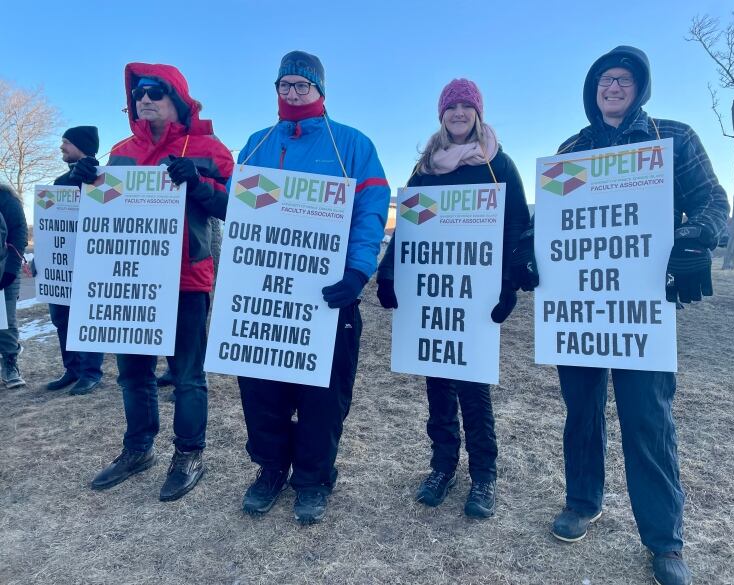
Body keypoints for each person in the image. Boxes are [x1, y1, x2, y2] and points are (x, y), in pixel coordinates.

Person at [550, 46, 729, 585]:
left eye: (624, 79)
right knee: (580, 410)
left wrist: (696, 238)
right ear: (592, 88)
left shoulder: (672, 138)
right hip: (580, 307)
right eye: (605, 78)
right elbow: (554, 225)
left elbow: (713, 204)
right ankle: (583, 501)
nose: (613, 87)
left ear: (640, 87)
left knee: (648, 419)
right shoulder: (571, 151)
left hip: (642, 307)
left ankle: (664, 540)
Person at [235, 50, 390, 524]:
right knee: (262, 388)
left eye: (302, 85)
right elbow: (239, 209)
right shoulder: (257, 143)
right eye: (285, 85)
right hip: (267, 297)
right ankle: (270, 469)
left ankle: (314, 477)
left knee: (323, 394)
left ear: (321, 91)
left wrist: (359, 271)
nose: (293, 93)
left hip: (330, 296)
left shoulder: (352, 144)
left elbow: (371, 210)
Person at [375, 79, 537, 518]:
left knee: (473, 385)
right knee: (436, 383)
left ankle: (484, 474)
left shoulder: (497, 163)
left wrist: (509, 284)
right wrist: (388, 274)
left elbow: (517, 226)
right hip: (433, 293)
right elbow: (407, 227)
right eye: (452, 107)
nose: (459, 113)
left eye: (467, 106)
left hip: (476, 293)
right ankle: (442, 465)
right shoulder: (425, 167)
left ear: (478, 112)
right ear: (441, 114)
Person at [72, 63, 234, 501]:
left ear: (177, 98)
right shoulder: (122, 151)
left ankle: (188, 454)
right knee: (133, 373)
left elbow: (234, 206)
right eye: (138, 94)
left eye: (155, 92)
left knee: (187, 376)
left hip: (186, 278)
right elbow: (102, 211)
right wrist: (84, 181)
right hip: (131, 279)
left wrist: (198, 183)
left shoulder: (208, 147)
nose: (144, 99)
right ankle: (138, 448)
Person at [45, 126, 105, 395]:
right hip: (63, 260)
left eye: (66, 143)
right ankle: (73, 368)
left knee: (88, 315)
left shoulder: (103, 178)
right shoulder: (59, 182)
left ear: (81, 145)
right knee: (61, 315)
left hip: (92, 260)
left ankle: (91, 371)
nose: (61, 147)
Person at [0, 183, 27, 389]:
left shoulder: (6, 197)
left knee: (4, 320)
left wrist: (10, 269)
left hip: (4, 268)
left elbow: (18, 234)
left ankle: (10, 364)